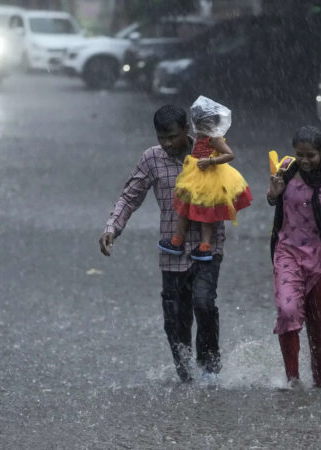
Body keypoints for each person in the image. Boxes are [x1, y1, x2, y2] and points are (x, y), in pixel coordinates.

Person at [99, 105, 224, 383]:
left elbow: (230, 186)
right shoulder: (151, 159)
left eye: (172, 137)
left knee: (204, 303)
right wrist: (112, 228)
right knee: (175, 316)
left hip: (207, 244)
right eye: (161, 138)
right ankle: (185, 373)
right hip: (173, 248)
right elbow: (130, 197)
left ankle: (210, 368)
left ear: (187, 131)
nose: (167, 144)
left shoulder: (208, 151)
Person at [267, 125, 321, 389]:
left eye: (311, 155)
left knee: (318, 326)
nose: (304, 161)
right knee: (287, 311)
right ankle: (293, 380)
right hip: (288, 253)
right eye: (299, 154)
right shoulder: (285, 170)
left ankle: (320, 383)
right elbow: (272, 200)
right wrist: (275, 191)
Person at [158, 96, 252, 261]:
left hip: (208, 179)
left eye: (203, 124)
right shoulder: (200, 137)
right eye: (198, 124)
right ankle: (177, 240)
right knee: (184, 209)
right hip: (194, 177)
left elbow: (230, 155)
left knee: (206, 215)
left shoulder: (213, 138)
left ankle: (205, 246)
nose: (198, 128)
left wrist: (211, 161)